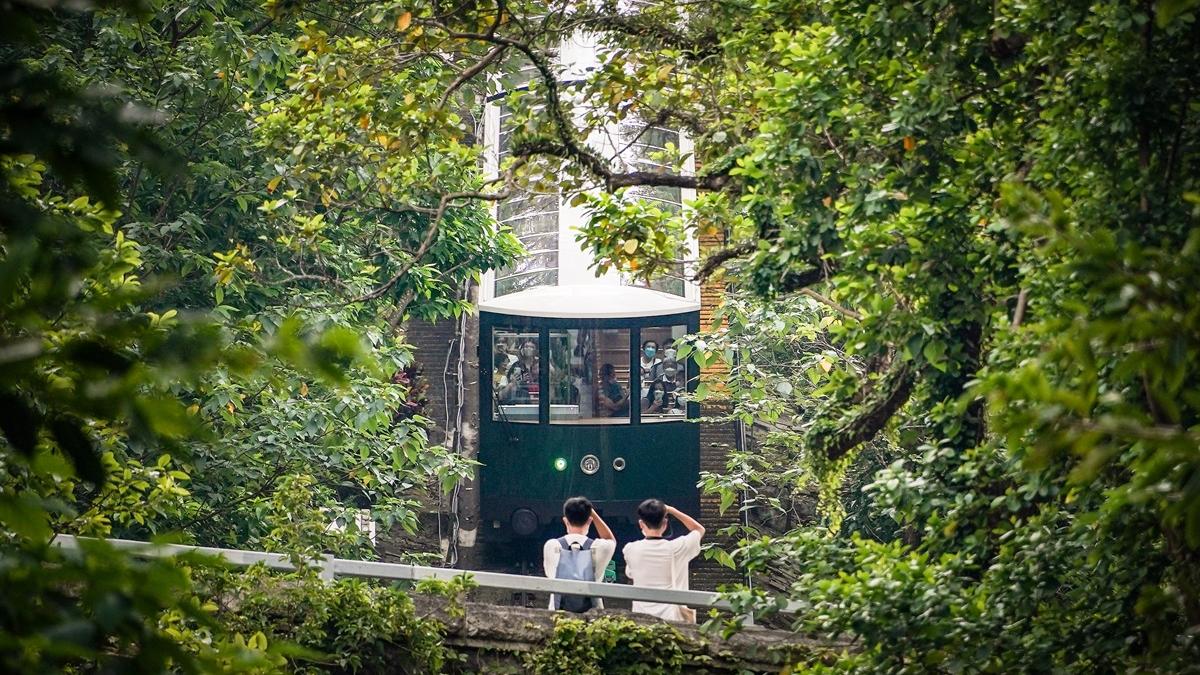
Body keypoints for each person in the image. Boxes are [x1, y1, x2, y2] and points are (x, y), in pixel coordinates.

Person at [623, 499, 705, 623]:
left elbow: (630, 574)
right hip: (673, 617)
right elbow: (699, 529)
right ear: (665, 523)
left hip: (641, 616)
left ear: (641, 523)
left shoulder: (630, 549)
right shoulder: (677, 548)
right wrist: (672, 510)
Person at [543, 496, 616, 612]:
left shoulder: (551, 545)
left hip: (557, 614)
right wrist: (593, 514)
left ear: (565, 521)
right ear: (589, 520)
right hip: (592, 616)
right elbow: (611, 540)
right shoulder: (600, 547)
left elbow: (549, 573)